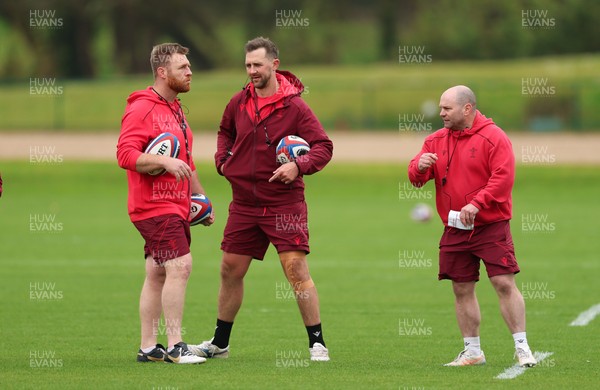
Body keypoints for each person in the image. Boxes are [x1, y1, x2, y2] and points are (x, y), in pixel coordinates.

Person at [188, 37, 333, 362]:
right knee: (229, 269)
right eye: (248, 65)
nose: (252, 71)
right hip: (244, 203)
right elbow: (225, 130)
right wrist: (222, 160)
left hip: (284, 203)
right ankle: (220, 343)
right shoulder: (239, 101)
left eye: (257, 65)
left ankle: (317, 343)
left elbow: (324, 145)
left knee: (295, 268)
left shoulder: (295, 106)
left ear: (274, 65)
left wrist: (298, 166)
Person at [407, 85, 537, 368]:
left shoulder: (494, 137)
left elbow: (503, 178)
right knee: (461, 288)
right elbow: (416, 179)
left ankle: (522, 347)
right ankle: (472, 352)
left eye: (447, 108)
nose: (441, 113)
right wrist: (418, 166)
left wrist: (477, 204)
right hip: (454, 228)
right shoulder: (435, 140)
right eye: (440, 108)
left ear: (467, 109)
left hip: (490, 225)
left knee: (503, 283)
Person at [117, 42, 214, 364]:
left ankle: (148, 347)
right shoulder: (142, 108)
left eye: (189, 66)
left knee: (157, 273)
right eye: (182, 67)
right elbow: (125, 155)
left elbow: (187, 161)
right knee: (180, 267)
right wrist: (167, 164)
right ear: (162, 72)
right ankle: (176, 345)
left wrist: (200, 199)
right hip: (153, 205)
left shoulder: (175, 108)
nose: (190, 72)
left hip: (175, 205)